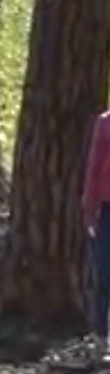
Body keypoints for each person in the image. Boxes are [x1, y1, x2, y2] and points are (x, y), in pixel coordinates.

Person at [85, 109, 110, 352]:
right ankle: (100, 337)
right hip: (107, 209)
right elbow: (94, 166)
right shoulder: (104, 123)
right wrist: (89, 205)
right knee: (104, 272)